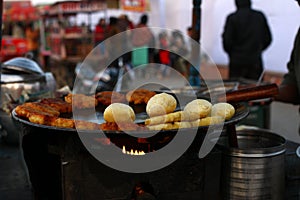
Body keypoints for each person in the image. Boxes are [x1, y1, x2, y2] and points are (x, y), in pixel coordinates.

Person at [222, 0, 272, 80]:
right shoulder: (259, 16)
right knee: (256, 90)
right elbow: (268, 39)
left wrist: (235, 54)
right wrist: (257, 50)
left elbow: (227, 42)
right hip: (255, 62)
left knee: (237, 91)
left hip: (237, 63)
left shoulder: (232, 18)